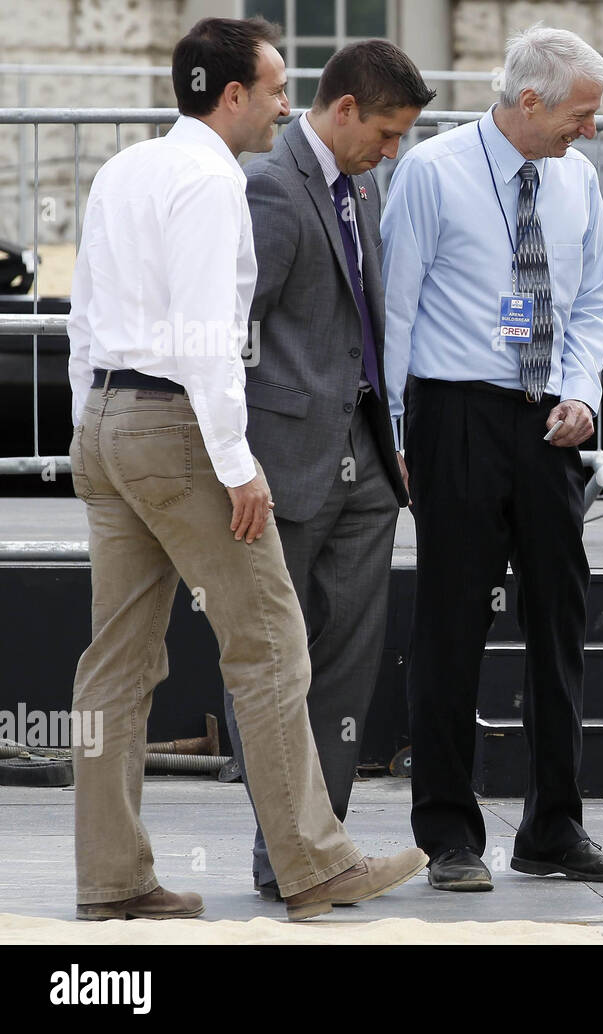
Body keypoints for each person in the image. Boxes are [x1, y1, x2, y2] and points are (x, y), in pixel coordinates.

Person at [66, 16, 426, 922]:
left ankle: (110, 877)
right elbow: (206, 338)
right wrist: (237, 463)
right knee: (271, 644)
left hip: (107, 419)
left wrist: (91, 424)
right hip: (177, 425)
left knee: (113, 662)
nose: (280, 106)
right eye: (271, 90)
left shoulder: (125, 168)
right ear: (230, 95)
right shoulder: (217, 181)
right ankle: (313, 864)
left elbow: (85, 312)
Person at [381, 23, 603, 891]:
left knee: (560, 621)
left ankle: (553, 828)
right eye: (582, 113)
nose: (591, 130)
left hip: (549, 425)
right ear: (530, 101)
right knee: (451, 623)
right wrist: (397, 434)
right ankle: (449, 834)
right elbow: (396, 312)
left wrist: (583, 394)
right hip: (455, 413)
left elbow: (593, 299)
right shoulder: (431, 172)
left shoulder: (579, 180)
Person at [221, 39, 433, 904]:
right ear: (343, 108)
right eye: (384, 133)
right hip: (283, 469)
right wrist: (236, 461)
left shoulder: (366, 182)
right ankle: (287, 853)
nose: (393, 152)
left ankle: (322, 854)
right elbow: (231, 333)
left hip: (369, 468)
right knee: (279, 664)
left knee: (345, 666)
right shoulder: (271, 190)